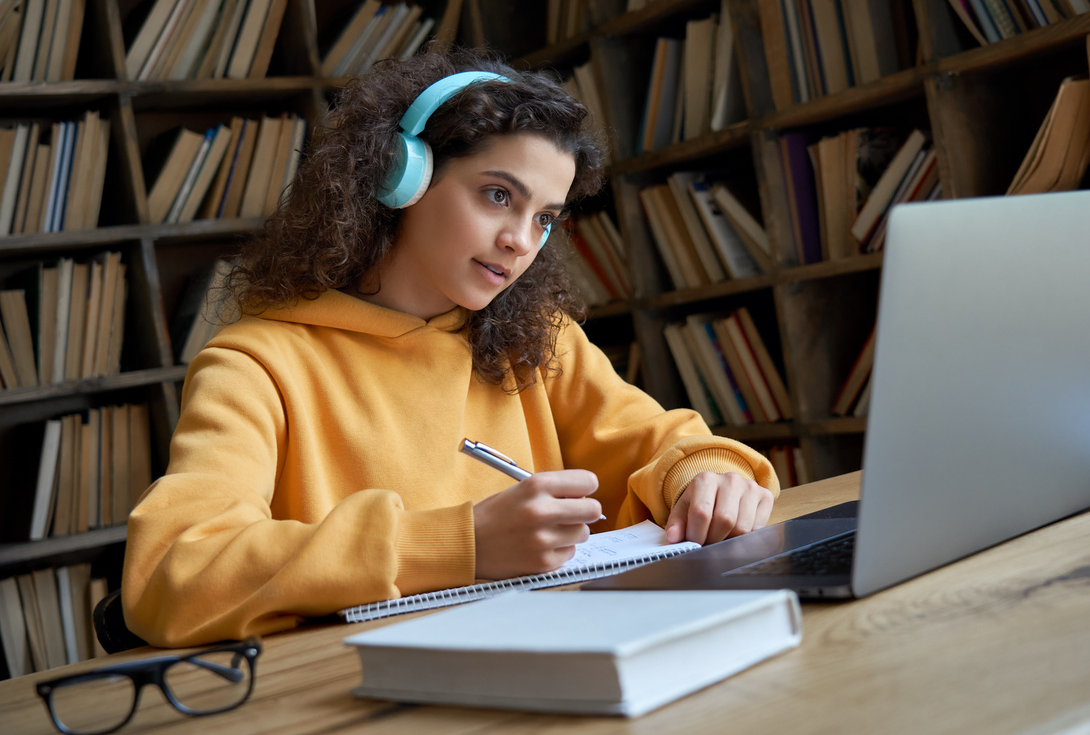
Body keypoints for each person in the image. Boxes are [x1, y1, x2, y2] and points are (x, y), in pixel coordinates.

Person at [122, 49, 778, 648]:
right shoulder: (256, 364)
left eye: (544, 217)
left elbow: (659, 440)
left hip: (544, 659)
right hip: (356, 695)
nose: (522, 240)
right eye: (498, 195)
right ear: (399, 178)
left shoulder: (538, 340)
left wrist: (705, 476)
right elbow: (174, 574)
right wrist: (459, 544)